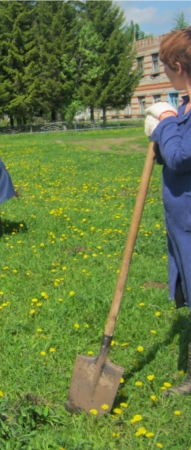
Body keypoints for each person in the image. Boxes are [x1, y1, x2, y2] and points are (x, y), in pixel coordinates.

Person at [144, 27, 191, 396]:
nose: (164, 76)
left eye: (163, 68)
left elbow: (180, 156)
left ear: (177, 65)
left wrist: (166, 123)